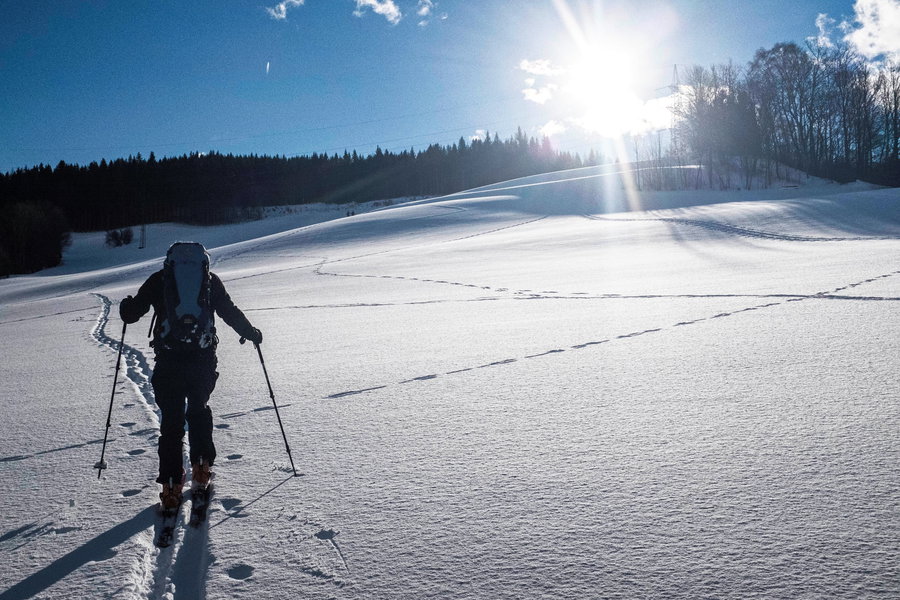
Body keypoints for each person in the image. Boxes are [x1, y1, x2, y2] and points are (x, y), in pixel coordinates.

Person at [119, 242, 262, 509]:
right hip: (202, 359)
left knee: (171, 422)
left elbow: (133, 313)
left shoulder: (159, 279)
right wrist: (250, 332)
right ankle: (201, 467)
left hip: (169, 361)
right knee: (198, 410)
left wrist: (126, 308)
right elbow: (228, 311)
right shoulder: (209, 281)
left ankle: (171, 485)